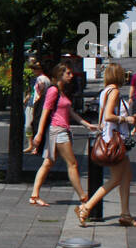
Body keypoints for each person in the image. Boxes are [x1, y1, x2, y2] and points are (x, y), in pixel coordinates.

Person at [77, 63, 136, 228]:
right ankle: (86, 207)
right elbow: (108, 116)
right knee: (116, 179)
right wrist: (126, 119)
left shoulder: (105, 91)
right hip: (115, 141)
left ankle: (126, 214)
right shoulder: (115, 92)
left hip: (110, 138)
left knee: (126, 176)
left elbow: (102, 117)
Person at [28, 64, 98, 207]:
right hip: (58, 131)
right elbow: (45, 112)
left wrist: (86, 124)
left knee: (48, 163)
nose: (71, 76)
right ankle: (83, 197)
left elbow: (70, 112)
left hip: (62, 130)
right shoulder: (53, 91)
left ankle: (34, 196)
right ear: (60, 74)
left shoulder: (61, 92)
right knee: (72, 164)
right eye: (68, 73)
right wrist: (39, 134)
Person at [26, 60, 51, 151]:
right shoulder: (46, 79)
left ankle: (34, 146)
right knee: (35, 124)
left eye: (35, 69)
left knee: (31, 125)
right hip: (38, 104)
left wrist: (36, 100)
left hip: (36, 105)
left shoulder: (41, 79)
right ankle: (34, 146)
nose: (33, 71)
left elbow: (39, 91)